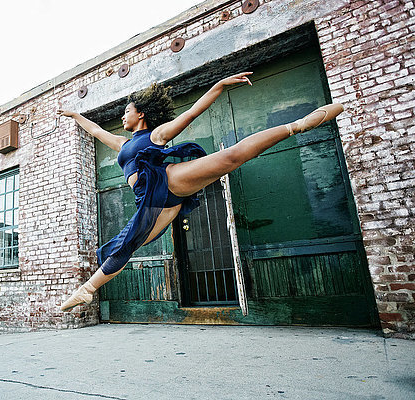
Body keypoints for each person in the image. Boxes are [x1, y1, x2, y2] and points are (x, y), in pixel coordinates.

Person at [57, 72, 343, 312]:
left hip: (166, 181)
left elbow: (192, 112)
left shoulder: (155, 135)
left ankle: (297, 125)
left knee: (230, 159)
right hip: (149, 201)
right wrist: (74, 114)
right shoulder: (121, 143)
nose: (122, 116)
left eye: (126, 111)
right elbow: (94, 130)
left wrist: (218, 86)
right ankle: (88, 289)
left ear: (140, 114)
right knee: (128, 244)